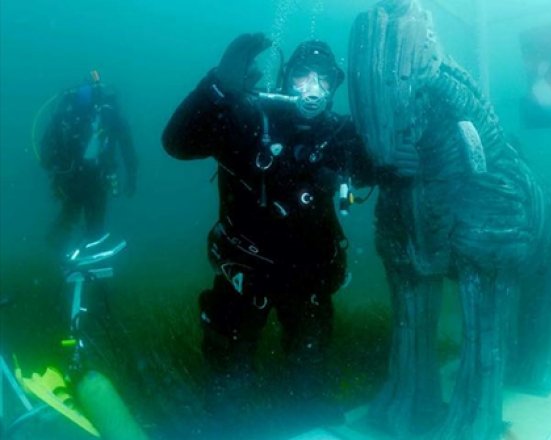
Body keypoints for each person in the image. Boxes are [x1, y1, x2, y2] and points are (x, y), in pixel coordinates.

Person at [162, 33, 372, 434]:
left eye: (324, 78)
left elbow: (377, 171)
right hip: (245, 272)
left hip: (310, 275)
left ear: (335, 84)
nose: (312, 88)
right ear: (286, 77)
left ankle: (306, 422)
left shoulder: (340, 134)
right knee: (227, 375)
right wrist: (216, 87)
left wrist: (397, 141)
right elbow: (176, 144)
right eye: (302, 76)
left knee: (308, 373)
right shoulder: (250, 117)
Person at [40, 71, 137, 253]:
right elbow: (127, 148)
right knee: (95, 225)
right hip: (97, 177)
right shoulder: (111, 115)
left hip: (70, 176)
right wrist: (132, 176)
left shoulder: (68, 113)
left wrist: (56, 170)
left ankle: (54, 253)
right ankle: (86, 259)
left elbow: (47, 152)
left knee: (68, 216)